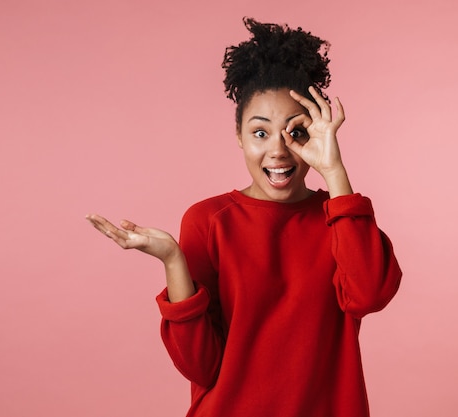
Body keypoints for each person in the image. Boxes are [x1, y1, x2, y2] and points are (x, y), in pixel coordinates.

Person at [87, 17, 402, 417]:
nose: (279, 151)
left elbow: (370, 295)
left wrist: (335, 172)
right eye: (260, 132)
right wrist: (173, 260)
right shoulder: (209, 220)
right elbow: (200, 367)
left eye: (296, 132)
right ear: (238, 135)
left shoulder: (339, 219)